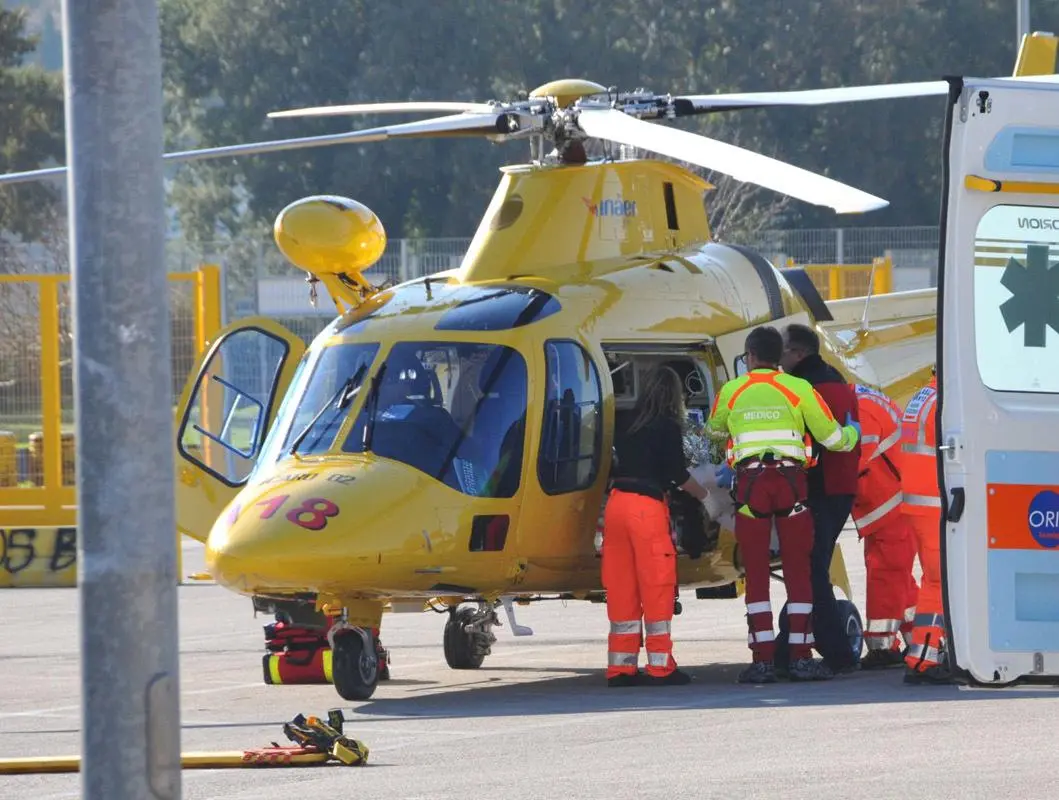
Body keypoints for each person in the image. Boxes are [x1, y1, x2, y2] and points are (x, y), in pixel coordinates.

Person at [707, 326, 861, 684]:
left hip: (751, 491)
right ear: (779, 357)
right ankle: (800, 656)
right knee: (798, 572)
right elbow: (832, 439)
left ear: (750, 356)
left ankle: (761, 660)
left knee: (757, 574)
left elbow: (713, 438)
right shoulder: (799, 389)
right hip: (793, 489)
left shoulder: (731, 391)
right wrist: (853, 432)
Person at [603, 365, 707, 687]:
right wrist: (707, 497)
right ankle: (661, 666)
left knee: (622, 587)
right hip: (646, 509)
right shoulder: (666, 426)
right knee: (656, 586)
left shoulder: (625, 420)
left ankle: (621, 668)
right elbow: (677, 473)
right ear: (674, 396)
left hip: (616, 505)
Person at [774, 323, 861, 674]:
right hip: (840, 488)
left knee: (812, 568)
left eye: (783, 354)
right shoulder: (836, 381)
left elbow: (813, 440)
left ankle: (832, 649)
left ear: (798, 353)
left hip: (820, 488)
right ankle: (801, 643)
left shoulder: (807, 388)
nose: (779, 361)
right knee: (814, 566)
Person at [851, 383, 920, 668]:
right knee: (899, 576)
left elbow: (854, 461)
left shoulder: (861, 409)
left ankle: (882, 646)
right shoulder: (867, 400)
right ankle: (920, 637)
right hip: (891, 502)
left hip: (889, 504)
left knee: (886, 574)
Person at [900, 367, 952, 684]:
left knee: (936, 579)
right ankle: (923, 660)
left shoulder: (922, 397)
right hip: (935, 505)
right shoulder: (942, 402)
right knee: (938, 582)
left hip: (921, 505)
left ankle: (928, 654)